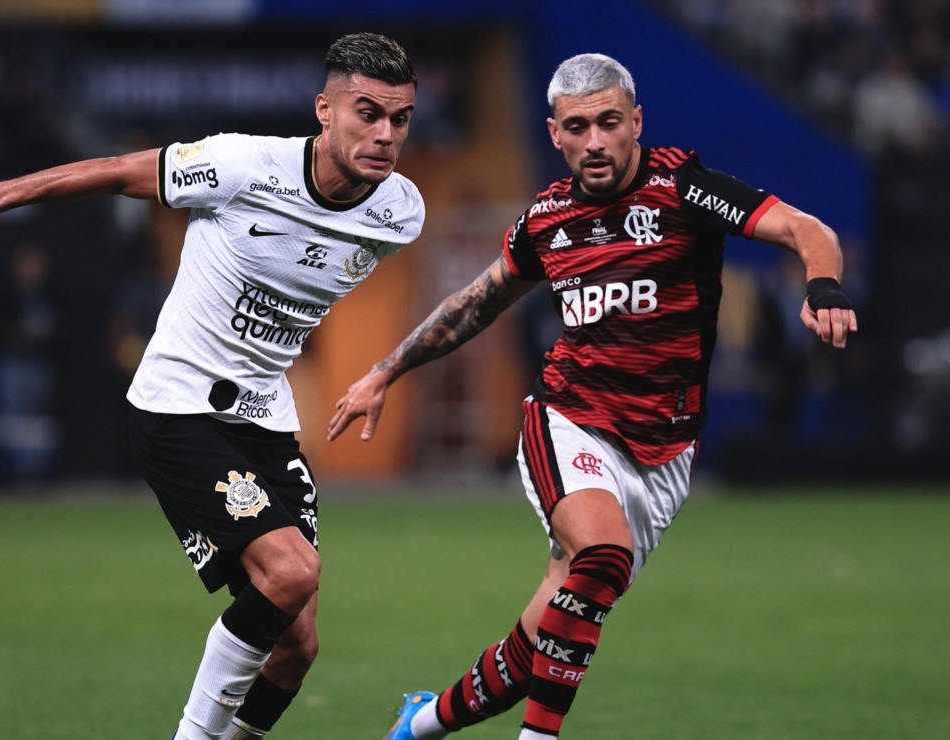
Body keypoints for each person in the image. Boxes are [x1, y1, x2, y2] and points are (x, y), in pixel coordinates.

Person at [327, 53, 857, 739]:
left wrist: (824, 286)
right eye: (578, 127)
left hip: (663, 452)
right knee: (601, 558)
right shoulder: (546, 221)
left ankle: (419, 723)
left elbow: (807, 229)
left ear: (636, 121)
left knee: (548, 637)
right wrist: (384, 371)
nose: (596, 142)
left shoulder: (684, 188)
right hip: (569, 420)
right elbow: (473, 305)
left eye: (610, 123)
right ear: (555, 133)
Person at [0, 32, 422, 740]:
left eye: (399, 119)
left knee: (296, 647)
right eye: (366, 112)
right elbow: (116, 169)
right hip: (180, 407)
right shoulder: (243, 164)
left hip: (267, 421)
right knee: (291, 572)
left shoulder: (400, 213)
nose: (384, 133)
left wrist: (383, 371)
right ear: (324, 110)